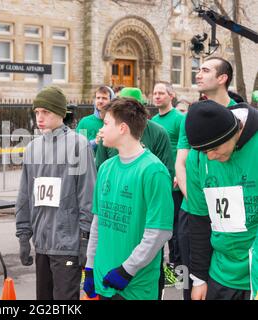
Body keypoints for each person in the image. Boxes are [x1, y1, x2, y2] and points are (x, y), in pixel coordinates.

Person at [83, 97, 173, 300]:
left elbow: (159, 233)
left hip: (134, 286)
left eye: (106, 124)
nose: (101, 130)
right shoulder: (106, 168)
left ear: (122, 128)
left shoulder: (153, 171)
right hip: (103, 280)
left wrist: (126, 270)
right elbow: (98, 223)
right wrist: (90, 266)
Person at [15, 86, 96, 300]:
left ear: (60, 113)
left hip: (67, 243)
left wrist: (84, 238)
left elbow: (87, 195)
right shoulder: (32, 148)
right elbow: (25, 195)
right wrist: (24, 235)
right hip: (42, 243)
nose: (39, 118)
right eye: (37, 112)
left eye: (46, 112)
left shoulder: (79, 145)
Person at [175, 56, 237, 300]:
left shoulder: (238, 117)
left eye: (205, 70)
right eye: (198, 69)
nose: (198, 74)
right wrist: (198, 200)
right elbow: (180, 161)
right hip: (193, 208)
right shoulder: (192, 116)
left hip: (228, 215)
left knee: (219, 282)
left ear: (222, 78)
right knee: (187, 276)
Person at [185, 100, 258, 300]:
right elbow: (198, 219)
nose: (210, 157)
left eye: (214, 148)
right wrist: (199, 277)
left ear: (233, 132)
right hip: (221, 275)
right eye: (203, 151)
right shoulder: (197, 157)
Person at [151, 81, 184, 285]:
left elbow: (186, 150)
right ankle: (161, 270)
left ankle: (179, 273)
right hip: (157, 182)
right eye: (154, 93)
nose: (157, 96)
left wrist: (179, 175)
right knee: (158, 228)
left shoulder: (179, 119)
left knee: (176, 231)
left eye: (161, 93)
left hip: (175, 183)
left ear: (171, 95)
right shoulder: (152, 121)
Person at [76, 86, 115, 154]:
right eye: (98, 98)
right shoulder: (85, 122)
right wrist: (95, 142)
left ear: (111, 100)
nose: (100, 101)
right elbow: (78, 147)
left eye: (104, 98)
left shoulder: (116, 122)